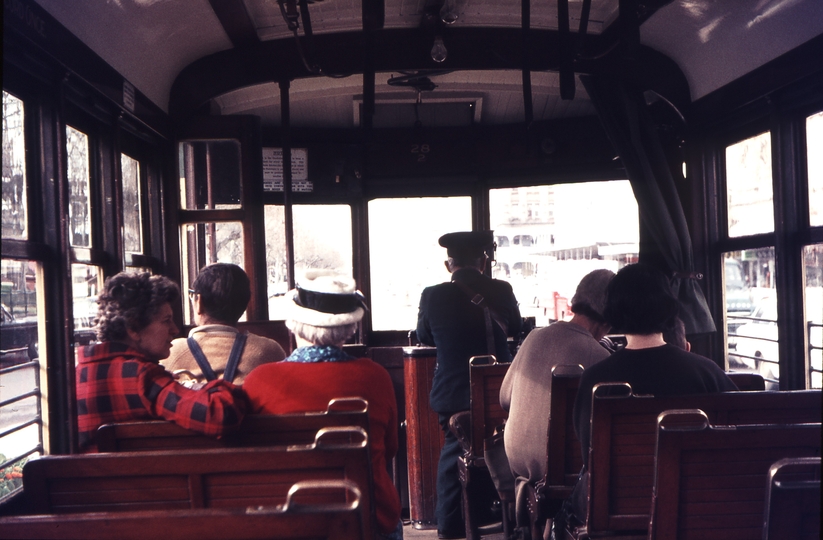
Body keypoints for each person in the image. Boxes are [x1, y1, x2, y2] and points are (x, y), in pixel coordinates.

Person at [560, 263, 737, 531]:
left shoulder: (596, 379)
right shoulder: (707, 372)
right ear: (669, 309)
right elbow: (735, 434)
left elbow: (589, 455)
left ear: (614, 312)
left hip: (616, 508)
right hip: (695, 503)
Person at [243, 270, 402, 540]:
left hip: (285, 516)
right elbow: (389, 450)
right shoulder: (375, 376)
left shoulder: (260, 380)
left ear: (292, 323)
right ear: (350, 327)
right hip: (368, 516)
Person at [416, 230, 522, 539]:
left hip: (453, 393)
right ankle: (508, 517)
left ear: (449, 264)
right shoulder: (502, 289)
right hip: (499, 392)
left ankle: (450, 526)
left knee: (454, 451)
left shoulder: (432, 295)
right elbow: (515, 327)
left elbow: (424, 337)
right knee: (503, 448)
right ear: (484, 261)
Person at [76, 272, 247, 452]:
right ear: (134, 329)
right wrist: (213, 388)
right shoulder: (141, 376)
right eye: (166, 321)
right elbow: (221, 415)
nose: (174, 329)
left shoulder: (77, 372)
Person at [499, 268, 614, 521]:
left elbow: (504, 398)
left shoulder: (533, 337)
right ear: (609, 320)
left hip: (516, 462)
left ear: (575, 303)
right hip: (560, 471)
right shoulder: (601, 358)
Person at [163, 263, 286, 386]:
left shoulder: (171, 351)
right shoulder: (270, 350)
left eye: (192, 295)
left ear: (199, 302)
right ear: (244, 305)